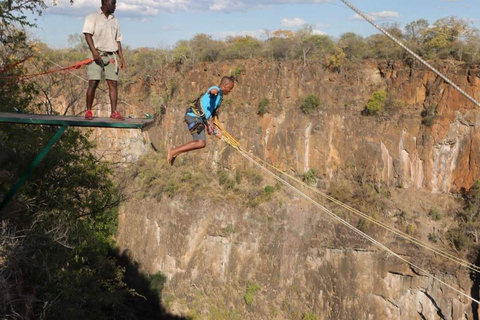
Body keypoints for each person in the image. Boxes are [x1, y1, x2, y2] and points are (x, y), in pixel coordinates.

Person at [167, 76, 235, 165]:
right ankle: (173, 151)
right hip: (193, 116)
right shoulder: (216, 90)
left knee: (201, 143)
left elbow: (214, 117)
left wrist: (217, 130)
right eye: (230, 88)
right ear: (225, 85)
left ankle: (175, 153)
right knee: (201, 142)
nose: (230, 91)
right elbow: (212, 91)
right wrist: (215, 91)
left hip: (198, 118)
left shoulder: (220, 98)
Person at [83, 0, 126, 120]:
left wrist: (121, 57)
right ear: (105, 2)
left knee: (113, 83)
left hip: (111, 55)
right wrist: (94, 52)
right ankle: (88, 111)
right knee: (94, 82)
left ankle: (114, 112)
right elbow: (87, 35)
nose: (115, 6)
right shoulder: (93, 16)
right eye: (113, 3)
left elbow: (118, 40)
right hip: (96, 53)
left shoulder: (115, 21)